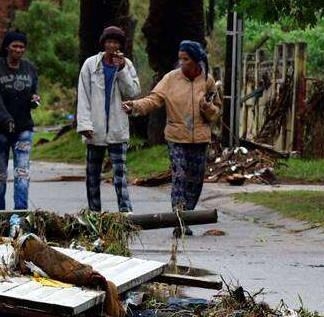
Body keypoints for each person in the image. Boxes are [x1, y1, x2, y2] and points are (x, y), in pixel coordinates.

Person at [124, 40, 222, 211]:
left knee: (196, 180)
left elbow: (216, 110)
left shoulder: (207, 81)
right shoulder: (170, 78)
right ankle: (179, 217)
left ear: (196, 60)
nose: (181, 63)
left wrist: (208, 108)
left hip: (200, 138)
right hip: (176, 137)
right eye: (180, 59)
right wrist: (134, 106)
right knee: (179, 175)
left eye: (186, 59)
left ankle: (188, 214)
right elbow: (153, 99)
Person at [76, 25, 141, 212]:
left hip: (117, 128)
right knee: (92, 175)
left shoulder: (126, 65)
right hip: (94, 129)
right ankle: (94, 213)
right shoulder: (90, 64)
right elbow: (83, 95)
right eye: (109, 42)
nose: (112, 46)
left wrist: (122, 71)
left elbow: (133, 92)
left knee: (120, 175)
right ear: (103, 43)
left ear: (121, 46)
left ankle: (126, 212)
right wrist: (84, 125)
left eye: (116, 42)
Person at [0, 28, 39, 211]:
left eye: (22, 47)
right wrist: (6, 118)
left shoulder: (30, 68)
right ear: (7, 47)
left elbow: (33, 94)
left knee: (22, 173)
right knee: (0, 174)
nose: (18, 50)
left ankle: (21, 214)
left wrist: (34, 100)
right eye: (15, 46)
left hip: (23, 128)